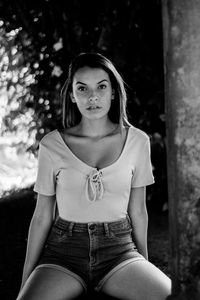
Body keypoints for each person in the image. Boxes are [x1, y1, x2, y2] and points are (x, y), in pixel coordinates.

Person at [17, 52, 171, 300]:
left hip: (118, 251)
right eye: (82, 89)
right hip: (63, 252)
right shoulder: (52, 145)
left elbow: (138, 211)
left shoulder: (137, 141)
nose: (93, 97)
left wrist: (144, 263)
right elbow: (42, 215)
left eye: (101, 87)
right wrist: (26, 279)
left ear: (112, 91)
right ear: (72, 95)